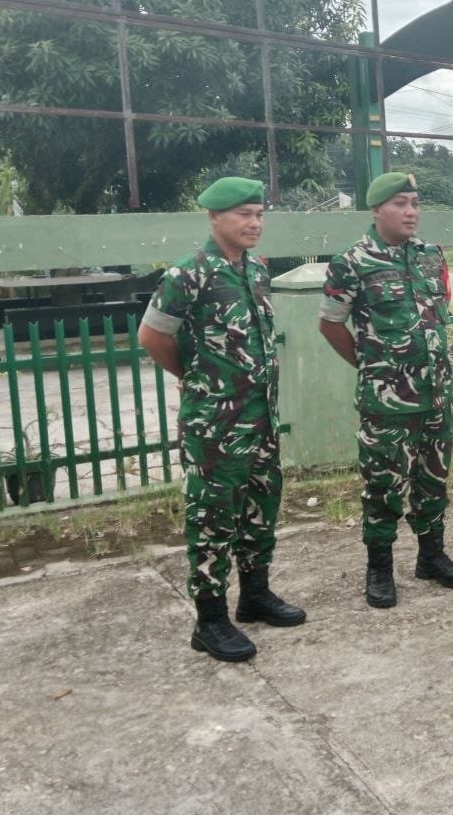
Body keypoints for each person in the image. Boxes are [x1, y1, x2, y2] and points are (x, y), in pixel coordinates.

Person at [138, 176, 305, 663]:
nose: (254, 223)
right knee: (212, 518)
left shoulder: (255, 270)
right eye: (243, 215)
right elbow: (152, 336)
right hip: (215, 424)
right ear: (214, 218)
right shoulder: (188, 274)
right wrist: (193, 377)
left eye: (259, 215)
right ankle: (209, 621)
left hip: (261, 419)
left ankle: (255, 595)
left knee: (260, 507)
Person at [318, 171, 453, 608]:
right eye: (400, 204)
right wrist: (371, 367)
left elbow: (438, 315)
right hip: (387, 403)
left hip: (435, 397)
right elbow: (330, 324)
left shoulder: (430, 256)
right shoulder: (351, 262)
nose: (411, 212)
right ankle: (380, 568)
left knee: (433, 481)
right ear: (376, 210)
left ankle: (432, 556)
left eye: (415, 203)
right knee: (383, 487)